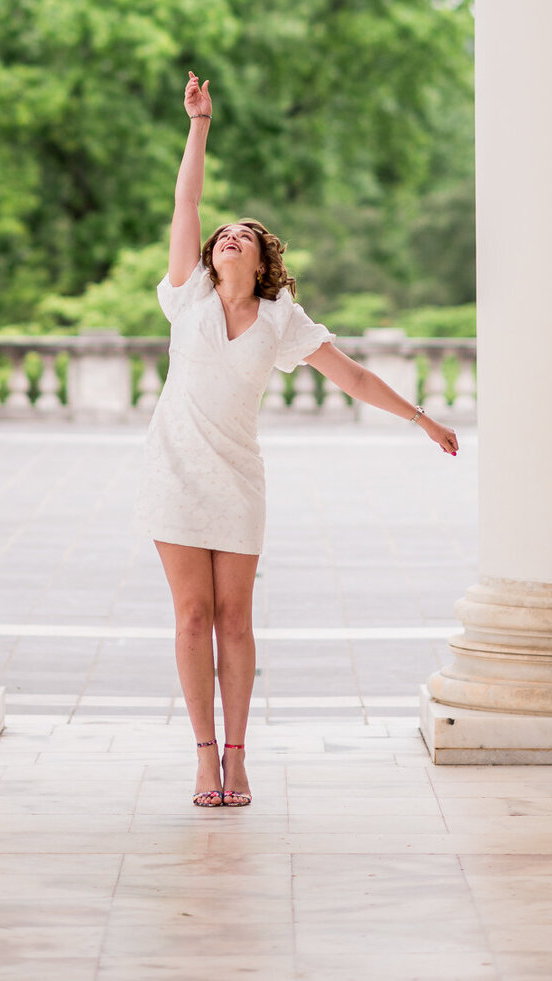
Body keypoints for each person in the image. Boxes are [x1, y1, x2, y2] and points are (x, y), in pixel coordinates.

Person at [133, 71, 460, 810]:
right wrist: (199, 124)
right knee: (190, 617)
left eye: (242, 236)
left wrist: (421, 418)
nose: (228, 237)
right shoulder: (185, 294)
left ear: (260, 259)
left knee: (234, 619)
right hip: (174, 469)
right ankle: (203, 754)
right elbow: (185, 201)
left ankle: (241, 755)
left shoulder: (283, 319)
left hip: (237, 478)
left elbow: (353, 378)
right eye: (223, 236)